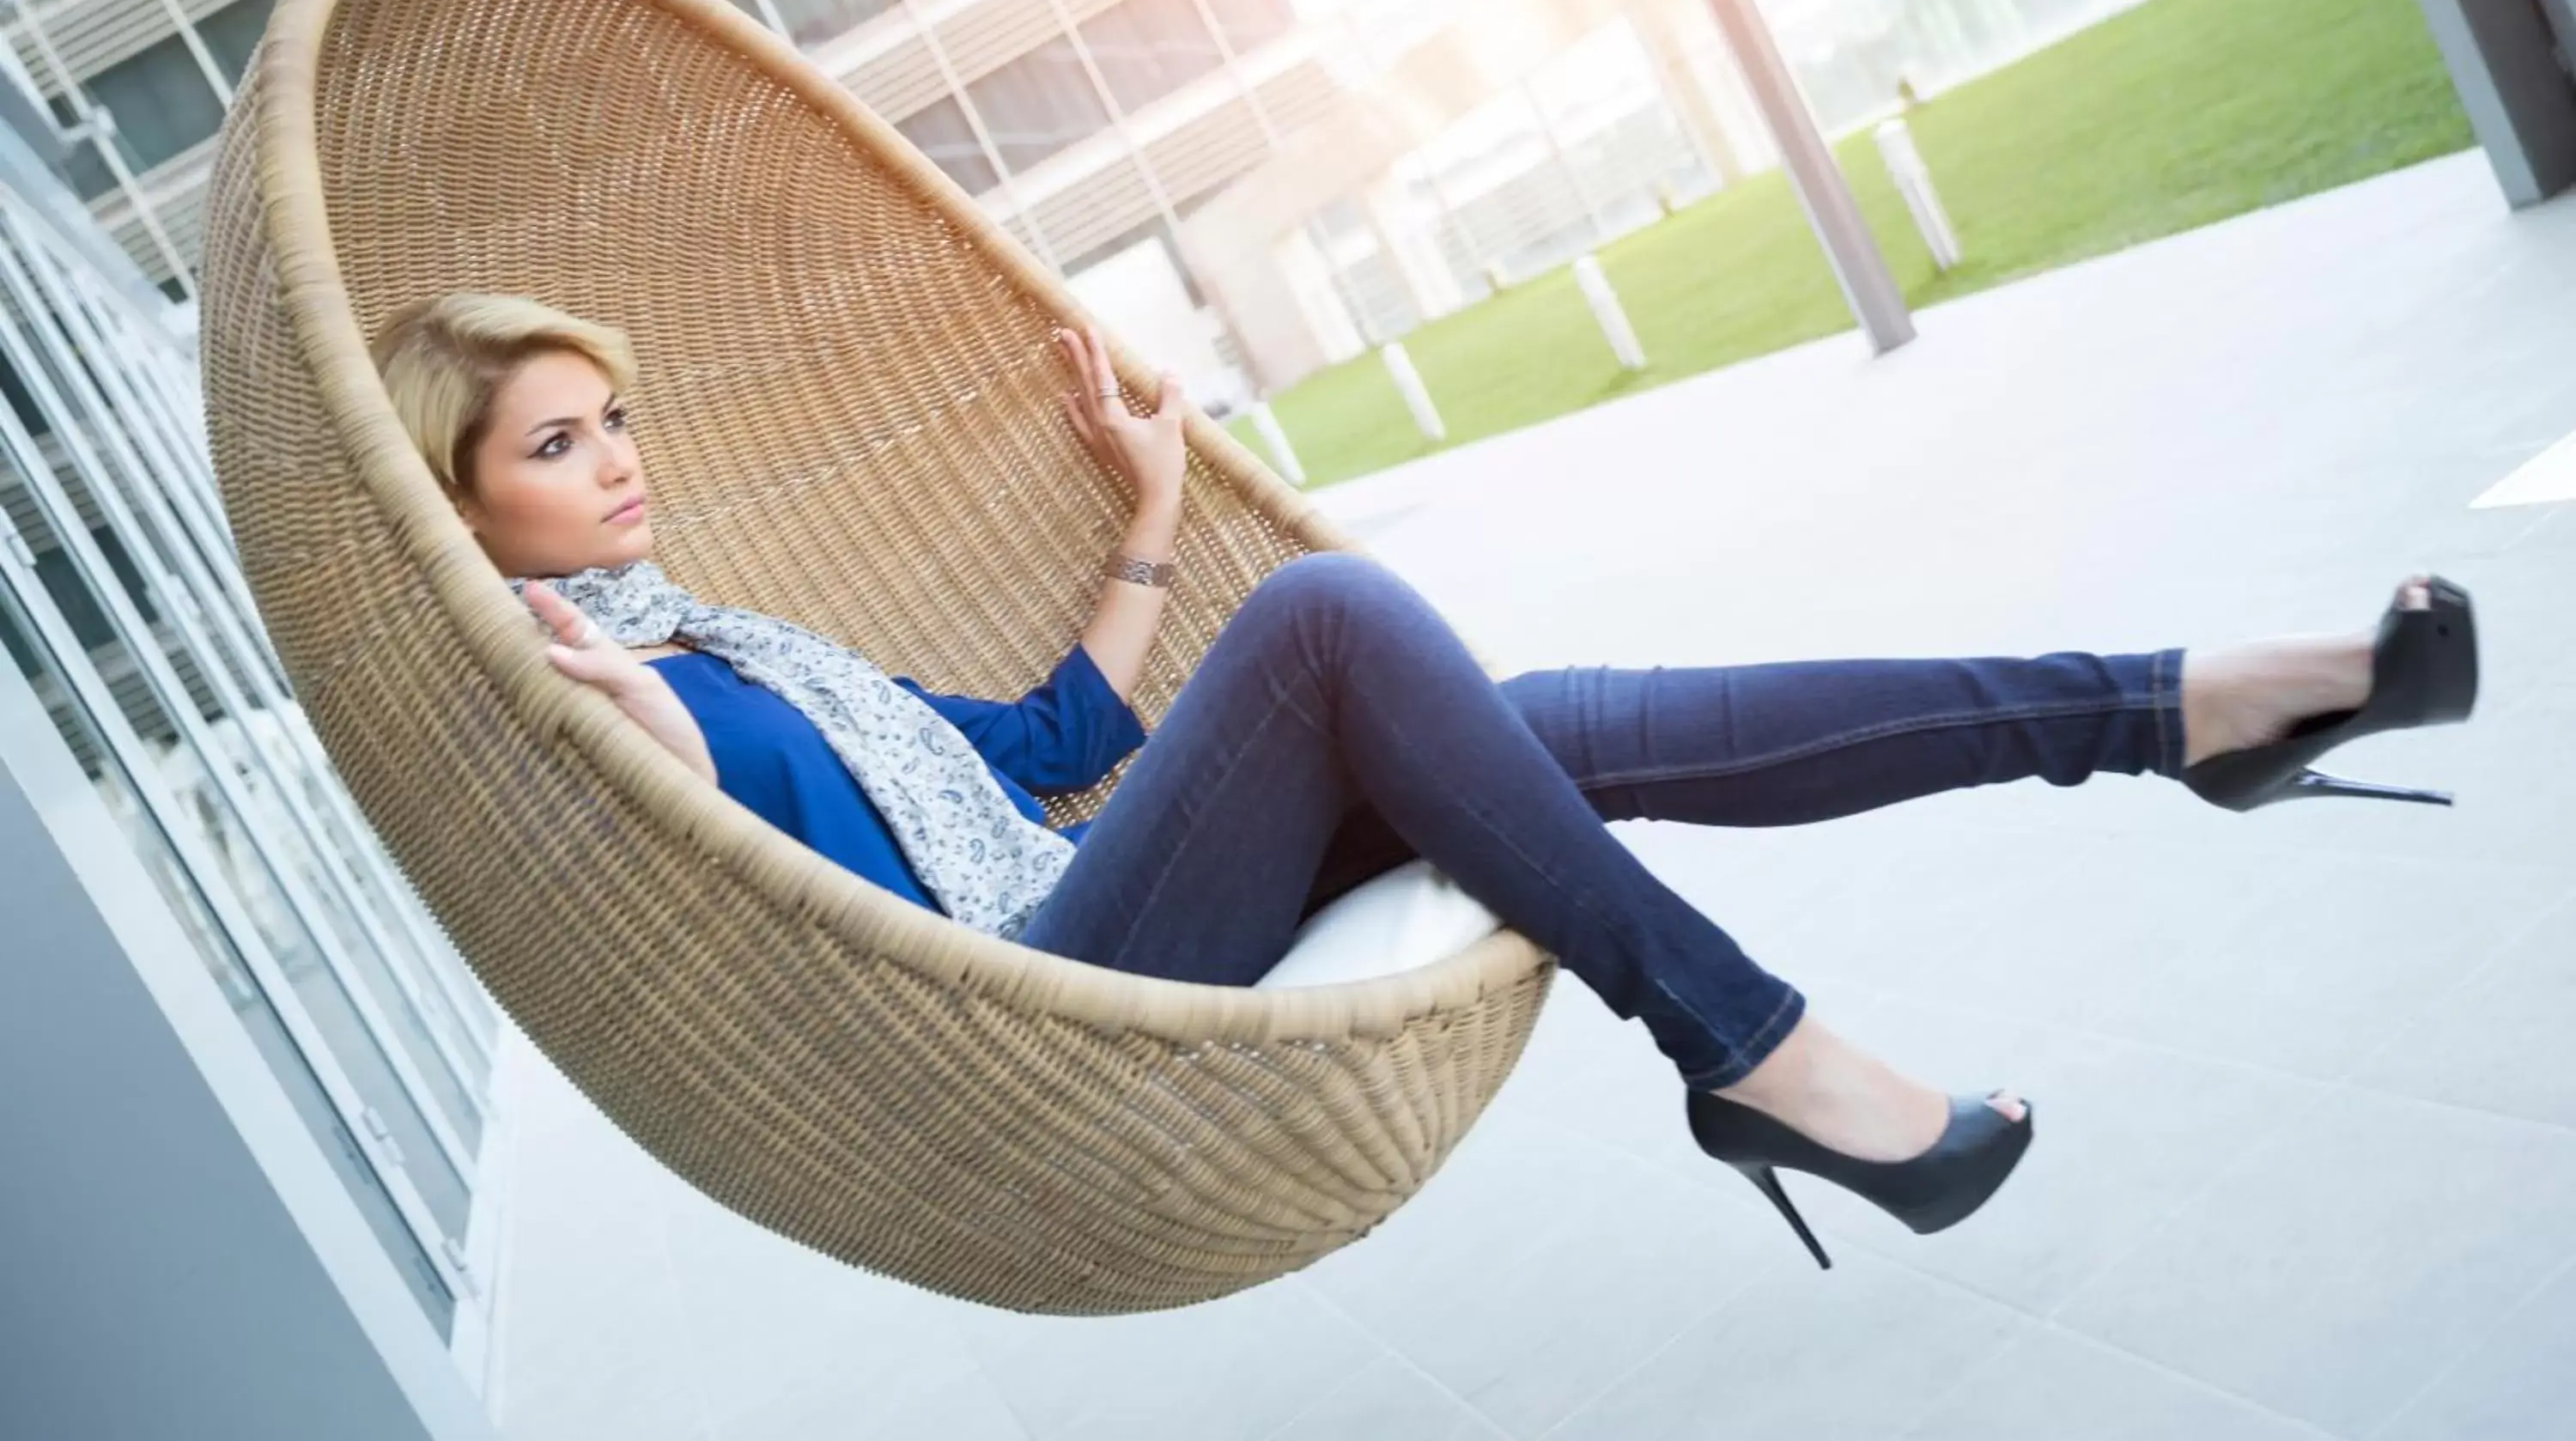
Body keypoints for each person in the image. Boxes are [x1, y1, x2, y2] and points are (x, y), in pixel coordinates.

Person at [372, 292, 2478, 1268]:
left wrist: (1152, 501)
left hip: (1082, 890)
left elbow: (1036, 756)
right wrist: (662, 777)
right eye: (554, 446)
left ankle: (2186, 705)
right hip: (1035, 1013)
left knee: (1568, 715)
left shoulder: (728, 637)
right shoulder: (590, 714)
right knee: (1327, 625)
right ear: (462, 510)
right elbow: (789, 955)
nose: (619, 456)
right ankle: (1759, 1046)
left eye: (614, 413)